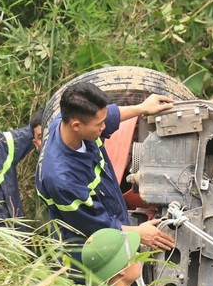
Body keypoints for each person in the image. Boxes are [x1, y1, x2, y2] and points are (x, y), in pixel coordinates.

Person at [37, 82, 176, 272]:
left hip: (112, 216)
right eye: (99, 124)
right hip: (91, 255)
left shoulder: (68, 122)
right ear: (76, 125)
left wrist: (142, 108)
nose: (104, 126)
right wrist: (138, 233)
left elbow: (108, 115)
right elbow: (96, 227)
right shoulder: (62, 179)